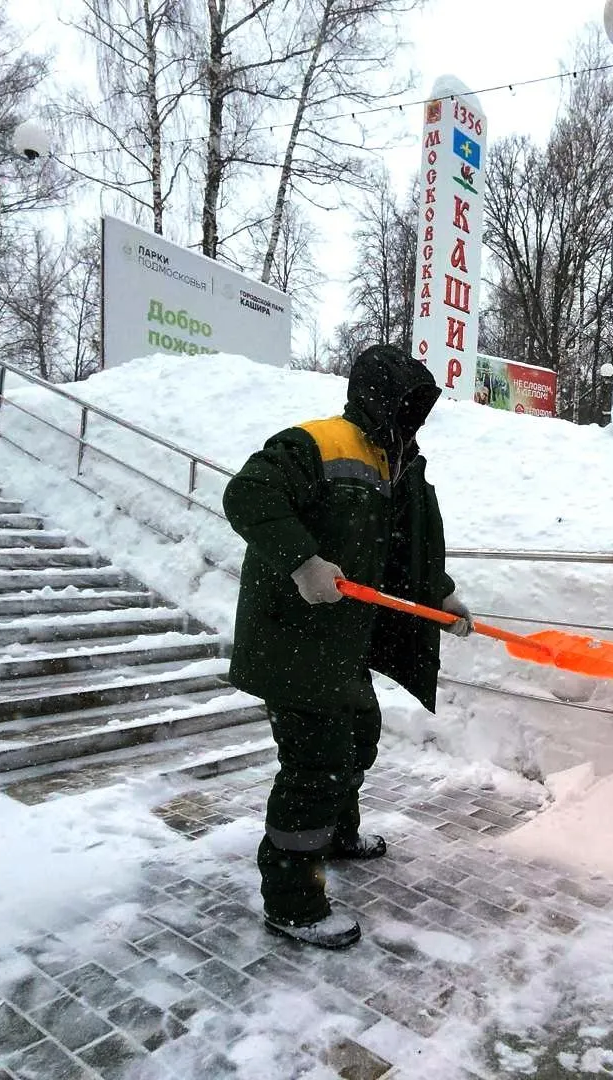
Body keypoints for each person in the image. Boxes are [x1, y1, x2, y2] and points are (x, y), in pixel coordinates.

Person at [221, 343, 473, 950]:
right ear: (375, 397)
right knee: (314, 767)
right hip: (292, 639)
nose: (411, 414)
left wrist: (440, 597)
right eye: (402, 401)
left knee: (357, 740)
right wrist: (303, 560)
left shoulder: (400, 463)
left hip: (343, 644)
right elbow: (247, 496)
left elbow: (404, 549)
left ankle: (335, 833)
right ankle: (294, 900)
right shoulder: (315, 444)